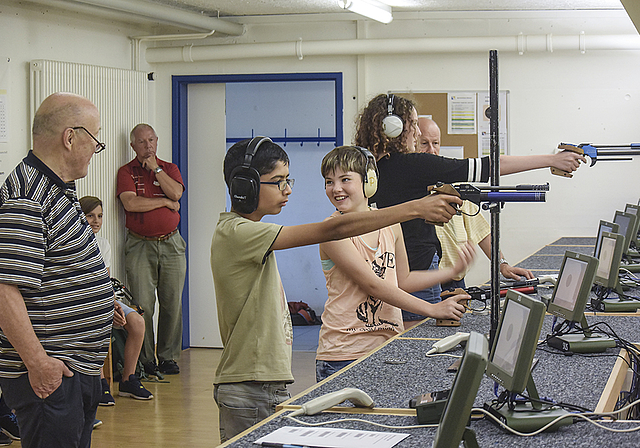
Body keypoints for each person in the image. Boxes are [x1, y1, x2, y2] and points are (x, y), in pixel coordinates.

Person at [210, 136, 463, 442]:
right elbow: (335, 229)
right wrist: (415, 208)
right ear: (245, 186)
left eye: (288, 180)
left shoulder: (248, 232)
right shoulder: (237, 232)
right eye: (278, 182)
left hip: (265, 381)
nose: (288, 189)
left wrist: (449, 271)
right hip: (249, 384)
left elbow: (399, 278)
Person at [357, 93, 585, 323]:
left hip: (386, 274)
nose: (416, 133)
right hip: (418, 273)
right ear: (393, 128)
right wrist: (551, 160)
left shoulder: (368, 169)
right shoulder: (412, 165)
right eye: (414, 125)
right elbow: (491, 166)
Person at [0, 92, 116, 448]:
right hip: (51, 373)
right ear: (70, 137)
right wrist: (38, 364)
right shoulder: (28, 196)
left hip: (72, 368)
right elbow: (5, 290)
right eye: (95, 141)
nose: (96, 150)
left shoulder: (59, 188)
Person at [315, 146, 474, 381]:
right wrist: (431, 309)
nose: (336, 188)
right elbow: (374, 286)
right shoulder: (331, 231)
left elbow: (403, 280)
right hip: (343, 354)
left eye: (345, 179)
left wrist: (451, 272)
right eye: (329, 181)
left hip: (387, 348)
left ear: (369, 182)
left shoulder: (391, 225)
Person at [417, 117, 534, 290]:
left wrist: (502, 264)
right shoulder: (405, 187)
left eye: (436, 143)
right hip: (420, 282)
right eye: (424, 143)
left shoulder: (453, 184)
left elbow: (481, 230)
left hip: (454, 282)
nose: (432, 150)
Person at [116, 124, 186, 376]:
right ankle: (146, 359)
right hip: (139, 244)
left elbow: (176, 192)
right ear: (133, 146)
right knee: (143, 304)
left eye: (151, 140)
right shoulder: (126, 172)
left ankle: (168, 357)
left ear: (157, 141)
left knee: (172, 302)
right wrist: (165, 202)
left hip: (171, 243)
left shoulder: (169, 169)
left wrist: (156, 169)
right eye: (142, 142)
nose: (148, 146)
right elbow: (131, 203)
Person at [79, 196, 153, 401]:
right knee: (100, 320)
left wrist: (114, 305)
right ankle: (100, 381)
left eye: (100, 216)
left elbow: (106, 281)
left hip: (105, 299)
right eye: (90, 215)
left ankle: (128, 379)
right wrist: (108, 308)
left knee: (137, 322)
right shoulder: (74, 244)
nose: (96, 221)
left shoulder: (103, 244)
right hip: (86, 302)